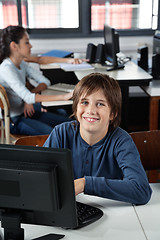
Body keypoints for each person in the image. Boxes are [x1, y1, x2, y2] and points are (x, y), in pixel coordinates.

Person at [43, 72, 152, 205]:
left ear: (113, 113)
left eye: (100, 104)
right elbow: (41, 179)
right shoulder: (61, 133)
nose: (90, 110)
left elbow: (141, 191)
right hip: (68, 208)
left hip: (112, 213)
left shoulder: (121, 140)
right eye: (84, 102)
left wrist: (85, 183)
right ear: (76, 107)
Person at [0, 25, 73, 135]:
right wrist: (64, 97)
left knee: (67, 120)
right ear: (14, 45)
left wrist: (28, 99)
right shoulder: (7, 68)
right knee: (54, 134)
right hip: (14, 120)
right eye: (27, 42)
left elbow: (45, 81)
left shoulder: (21, 63)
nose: (31, 46)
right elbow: (28, 97)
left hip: (27, 110)